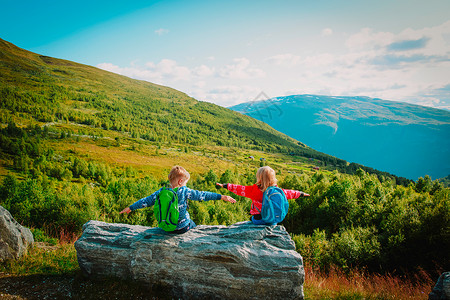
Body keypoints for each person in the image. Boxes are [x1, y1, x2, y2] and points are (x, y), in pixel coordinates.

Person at [120, 165, 236, 233]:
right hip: (182, 228)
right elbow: (203, 195)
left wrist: (131, 207)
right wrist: (221, 196)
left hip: (166, 228)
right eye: (185, 182)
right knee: (192, 223)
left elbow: (146, 201)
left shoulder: (161, 192)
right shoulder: (184, 191)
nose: (186, 185)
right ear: (181, 182)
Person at [216, 166, 309, 225]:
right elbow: (290, 193)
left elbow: (239, 189)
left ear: (259, 178)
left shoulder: (253, 190)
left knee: (252, 218)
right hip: (273, 221)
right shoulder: (277, 191)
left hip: (259, 220)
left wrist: (225, 185)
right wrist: (301, 194)